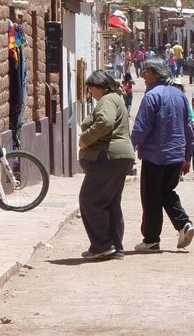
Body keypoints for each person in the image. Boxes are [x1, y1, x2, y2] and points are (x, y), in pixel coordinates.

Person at [131, 59, 194, 252]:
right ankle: (184, 224)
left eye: (146, 72)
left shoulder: (152, 95)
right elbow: (188, 128)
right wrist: (187, 155)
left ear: (156, 74)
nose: (143, 76)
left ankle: (151, 239)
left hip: (155, 156)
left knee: (151, 197)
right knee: (166, 192)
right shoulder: (180, 95)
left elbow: (141, 127)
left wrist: (130, 149)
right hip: (176, 155)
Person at [78, 70, 135, 260]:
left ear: (99, 87)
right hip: (119, 158)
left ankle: (102, 245)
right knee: (110, 203)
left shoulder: (107, 100)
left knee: (89, 199)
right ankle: (115, 247)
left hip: (108, 157)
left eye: (91, 89)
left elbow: (105, 122)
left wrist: (86, 138)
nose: (91, 94)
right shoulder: (116, 98)